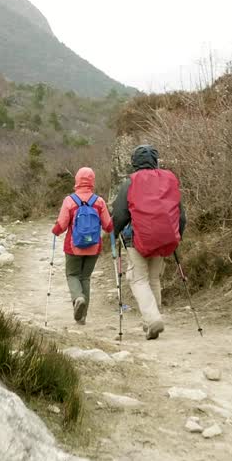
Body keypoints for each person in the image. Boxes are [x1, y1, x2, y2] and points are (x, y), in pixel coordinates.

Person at [111, 144, 186, 340]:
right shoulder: (168, 179)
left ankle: (153, 320)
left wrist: (114, 232)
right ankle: (151, 320)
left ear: (134, 162)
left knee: (139, 279)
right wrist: (178, 236)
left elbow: (120, 214)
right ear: (155, 161)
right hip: (164, 239)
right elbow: (180, 214)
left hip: (137, 239)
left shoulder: (131, 182)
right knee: (153, 279)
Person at [51, 167, 113, 324]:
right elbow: (108, 226)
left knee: (72, 275)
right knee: (85, 277)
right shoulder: (98, 201)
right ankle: (82, 316)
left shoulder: (70, 200)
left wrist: (55, 230)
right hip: (93, 247)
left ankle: (78, 298)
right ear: (92, 181)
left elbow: (62, 225)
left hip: (74, 247)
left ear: (77, 180)